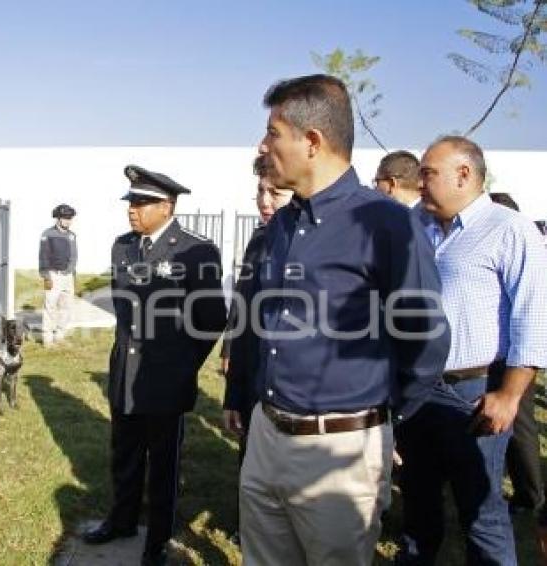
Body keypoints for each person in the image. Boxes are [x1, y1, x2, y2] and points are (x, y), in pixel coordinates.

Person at [238, 74, 450, 566]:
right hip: (266, 438)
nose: (262, 144)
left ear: (311, 142)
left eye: (272, 132)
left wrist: (376, 418)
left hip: (342, 452)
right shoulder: (282, 225)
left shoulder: (387, 223)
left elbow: (425, 340)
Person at [396, 138, 547, 565]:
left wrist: (510, 395)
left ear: (464, 174)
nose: (420, 182)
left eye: (429, 173)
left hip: (475, 393)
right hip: (416, 390)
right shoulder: (415, 225)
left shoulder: (509, 229)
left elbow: (532, 318)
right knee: (418, 506)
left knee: (481, 511)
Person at [83, 165, 227, 566]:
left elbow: (211, 318)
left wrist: (182, 364)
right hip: (126, 371)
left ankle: (158, 538)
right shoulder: (123, 247)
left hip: (166, 376)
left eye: (142, 202)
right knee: (124, 452)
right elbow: (125, 311)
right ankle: (123, 519)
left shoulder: (194, 250)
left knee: (163, 462)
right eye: (130, 201)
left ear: (168, 206)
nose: (133, 210)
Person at [221, 155, 292, 543]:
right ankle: (248, 524)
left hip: (297, 394)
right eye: (259, 193)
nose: (264, 201)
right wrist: (234, 387)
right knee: (251, 460)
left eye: (275, 192)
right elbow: (244, 306)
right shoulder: (259, 238)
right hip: (254, 379)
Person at [488, 191, 545, 516]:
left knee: (520, 426)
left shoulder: (520, 245)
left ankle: (530, 495)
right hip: (506, 355)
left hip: (513, 358)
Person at [39, 204, 77, 346]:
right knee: (50, 307)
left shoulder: (72, 236)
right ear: (58, 218)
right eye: (65, 218)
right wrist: (46, 276)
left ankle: (59, 335)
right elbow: (43, 256)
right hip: (53, 275)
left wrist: (72, 275)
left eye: (70, 218)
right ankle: (47, 339)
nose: (68, 221)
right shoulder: (47, 234)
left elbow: (74, 256)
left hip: (68, 277)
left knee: (66, 308)